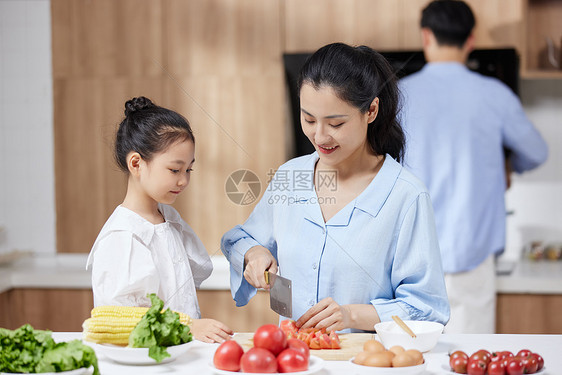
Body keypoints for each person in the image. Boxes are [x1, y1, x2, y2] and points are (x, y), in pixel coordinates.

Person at [221, 43, 450, 333]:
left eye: (335, 123)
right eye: (308, 119)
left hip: (365, 363)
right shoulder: (291, 176)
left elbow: (428, 308)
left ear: (371, 110)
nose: (319, 135)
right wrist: (254, 254)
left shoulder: (405, 195)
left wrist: (352, 315)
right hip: (294, 359)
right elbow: (236, 239)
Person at [399, 0, 548, 333]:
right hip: (473, 250)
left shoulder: (399, 96)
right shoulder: (494, 94)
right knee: (472, 360)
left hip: (412, 259)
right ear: (471, 40)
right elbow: (536, 152)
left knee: (414, 357)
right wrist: (508, 165)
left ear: (426, 36)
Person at [86, 96, 233, 343]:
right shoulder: (122, 236)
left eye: (189, 170)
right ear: (136, 163)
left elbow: (193, 276)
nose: (184, 180)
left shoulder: (169, 218)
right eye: (175, 170)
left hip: (176, 354)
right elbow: (122, 320)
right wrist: (187, 326)